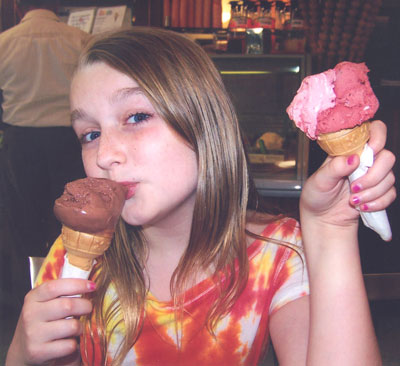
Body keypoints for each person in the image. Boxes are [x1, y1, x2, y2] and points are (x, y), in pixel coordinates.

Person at [5, 27, 396, 366]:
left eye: (136, 117)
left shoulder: (276, 255)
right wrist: (23, 353)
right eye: (90, 135)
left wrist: (329, 232)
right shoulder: (75, 262)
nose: (106, 155)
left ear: (204, 123)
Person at [0, 0, 89, 267]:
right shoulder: (82, 41)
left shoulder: (4, 42)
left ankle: (27, 285)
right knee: (71, 218)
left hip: (21, 142)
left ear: (17, 7)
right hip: (68, 140)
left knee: (23, 220)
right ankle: (67, 274)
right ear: (57, 6)